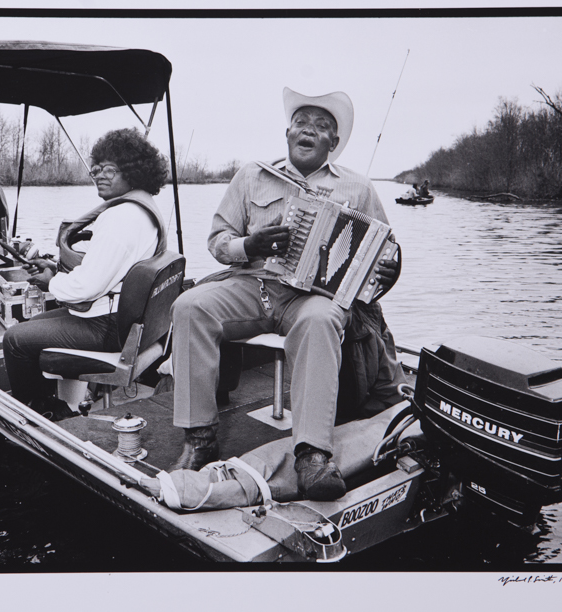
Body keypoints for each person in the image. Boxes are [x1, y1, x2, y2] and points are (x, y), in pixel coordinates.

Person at [168, 88, 401, 501]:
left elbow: (385, 251)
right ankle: (200, 437)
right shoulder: (251, 175)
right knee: (189, 306)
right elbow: (218, 239)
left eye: (322, 126)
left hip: (312, 297)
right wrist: (249, 246)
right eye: (302, 123)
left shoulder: (359, 188)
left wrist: (392, 268)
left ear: (333, 142)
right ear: (288, 132)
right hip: (253, 285)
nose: (309, 130)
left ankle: (312, 453)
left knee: (321, 318)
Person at [3, 128, 169, 420]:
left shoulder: (120, 217)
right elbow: (109, 270)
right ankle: (54, 405)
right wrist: (56, 270)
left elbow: (85, 289)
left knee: (15, 339)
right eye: (96, 169)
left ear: (134, 171)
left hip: (108, 327)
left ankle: (41, 415)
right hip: (131, 322)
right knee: (35, 326)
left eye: (111, 169)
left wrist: (51, 281)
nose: (101, 175)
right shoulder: (145, 209)